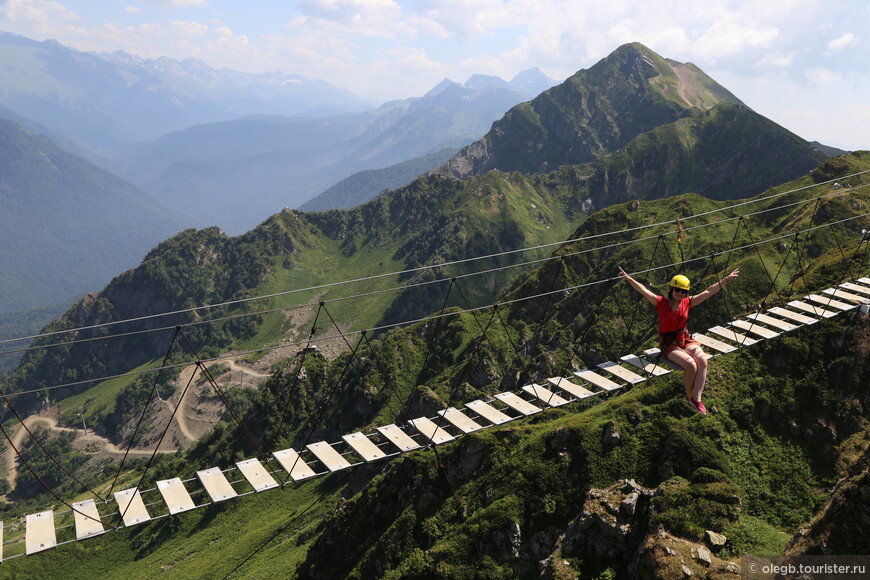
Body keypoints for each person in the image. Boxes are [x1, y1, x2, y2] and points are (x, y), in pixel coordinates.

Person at [617, 267, 739, 415]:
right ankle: (690, 396)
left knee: (703, 360)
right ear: (671, 289)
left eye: (683, 291)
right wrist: (629, 278)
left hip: (685, 339)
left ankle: (697, 399)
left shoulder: (688, 302)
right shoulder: (660, 302)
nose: (680, 293)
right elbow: (643, 290)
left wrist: (726, 279)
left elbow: (708, 292)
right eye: (677, 290)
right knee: (690, 365)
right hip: (669, 344)